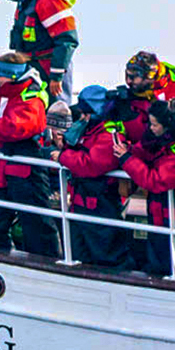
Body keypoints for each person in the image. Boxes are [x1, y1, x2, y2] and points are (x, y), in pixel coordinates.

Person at [0, 52, 60, 256]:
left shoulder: (31, 100)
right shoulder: (2, 94)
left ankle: (47, 265)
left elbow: (8, 129)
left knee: (37, 225)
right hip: (0, 167)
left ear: (12, 75)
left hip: (26, 169)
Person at [119, 100, 175, 280]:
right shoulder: (161, 141)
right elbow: (144, 152)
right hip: (161, 214)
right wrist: (128, 151)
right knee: (159, 256)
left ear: (167, 126)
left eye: (154, 124)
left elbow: (155, 181)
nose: (151, 128)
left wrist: (126, 159)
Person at [53, 84, 132, 269]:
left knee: (107, 255)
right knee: (79, 253)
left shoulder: (109, 135)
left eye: (85, 113)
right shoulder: (90, 132)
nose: (83, 117)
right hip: (82, 205)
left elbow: (91, 164)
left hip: (101, 206)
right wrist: (64, 145)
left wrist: (63, 156)